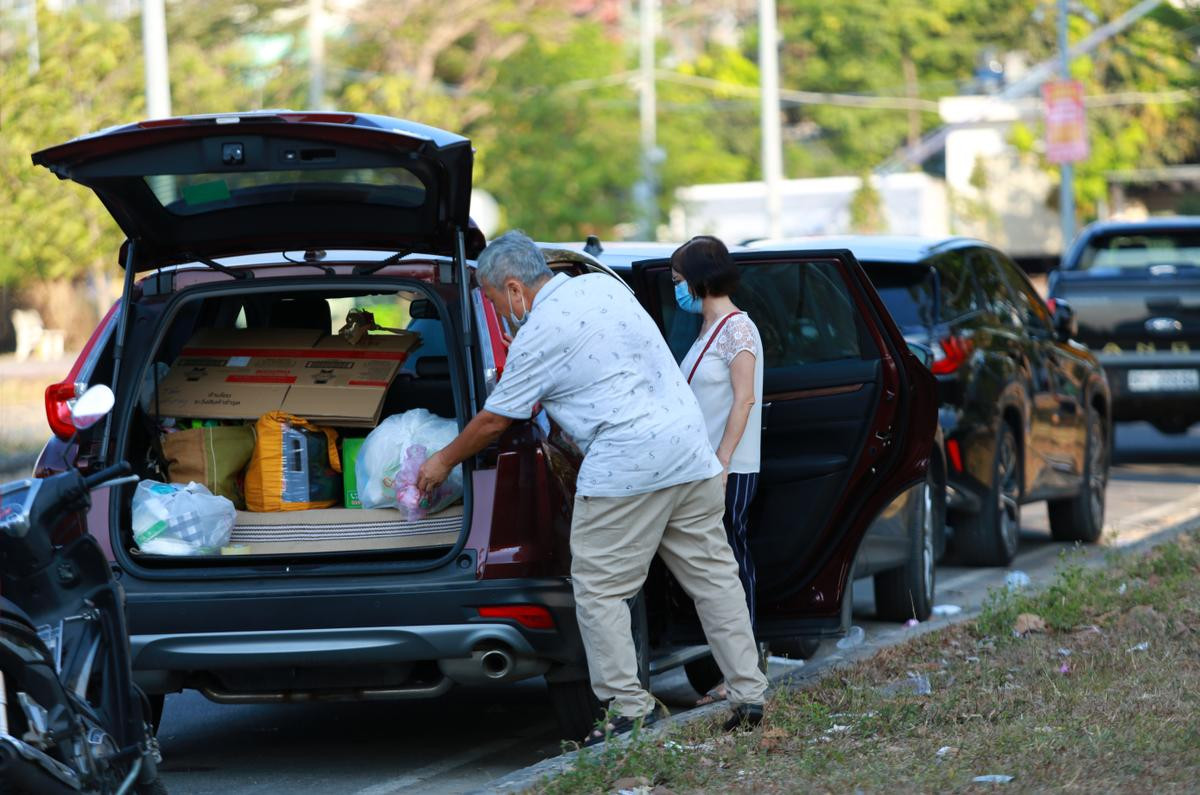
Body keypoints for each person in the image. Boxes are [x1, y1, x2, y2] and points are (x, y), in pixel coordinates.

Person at [416, 231, 768, 743]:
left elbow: (495, 420)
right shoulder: (603, 288)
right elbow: (599, 361)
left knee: (600, 588)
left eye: (494, 301)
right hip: (690, 453)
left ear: (514, 289)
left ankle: (627, 708)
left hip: (628, 468)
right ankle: (749, 692)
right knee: (714, 578)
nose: (499, 311)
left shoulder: (539, 335)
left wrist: (440, 461)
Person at [671, 235, 765, 703]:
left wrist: (724, 460)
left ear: (700, 279)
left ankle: (743, 672)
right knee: (715, 567)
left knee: (730, 565)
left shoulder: (738, 329)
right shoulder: (707, 331)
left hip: (728, 468)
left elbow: (743, 398)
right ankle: (730, 669)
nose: (677, 289)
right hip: (701, 466)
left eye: (679, 279)